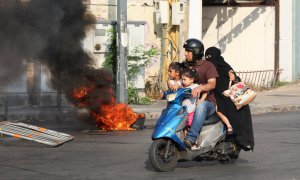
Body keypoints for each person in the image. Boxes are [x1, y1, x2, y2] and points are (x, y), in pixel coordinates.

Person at [205, 46, 254, 151]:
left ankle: (240, 138)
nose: (209, 60)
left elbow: (236, 80)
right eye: (207, 57)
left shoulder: (224, 66)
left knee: (233, 110)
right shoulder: (209, 67)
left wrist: (234, 78)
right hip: (215, 95)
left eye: (211, 57)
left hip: (228, 96)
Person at [181, 38, 219, 149]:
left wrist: (200, 88)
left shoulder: (208, 66)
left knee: (201, 106)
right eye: (186, 51)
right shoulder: (185, 66)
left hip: (208, 102)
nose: (185, 54)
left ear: (196, 52)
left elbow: (212, 84)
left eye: (188, 51)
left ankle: (191, 138)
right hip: (187, 100)